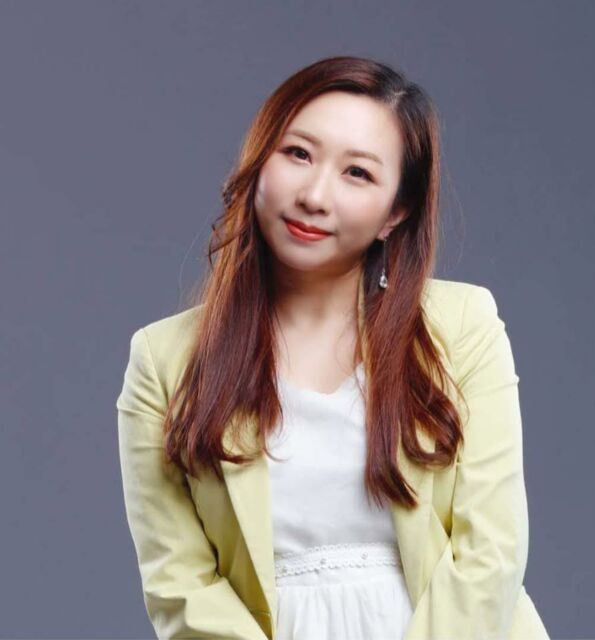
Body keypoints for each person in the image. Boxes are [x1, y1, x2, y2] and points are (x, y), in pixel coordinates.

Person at [116, 55, 550, 640]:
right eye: (298, 154)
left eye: (358, 173)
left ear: (395, 212)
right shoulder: (163, 360)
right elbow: (179, 583)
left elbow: (491, 550)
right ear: (259, 160)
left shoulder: (463, 326)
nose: (315, 195)